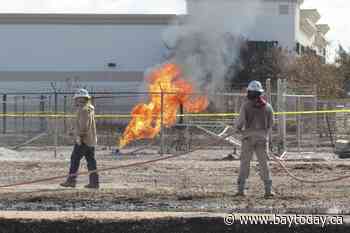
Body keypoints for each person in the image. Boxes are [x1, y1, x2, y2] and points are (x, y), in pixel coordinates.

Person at [235, 80, 274, 198]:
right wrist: (264, 133)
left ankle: (241, 190)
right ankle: (268, 191)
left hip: (248, 139)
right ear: (260, 93)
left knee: (244, 164)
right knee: (263, 164)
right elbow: (271, 123)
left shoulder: (245, 106)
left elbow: (240, 122)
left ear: (250, 92)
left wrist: (238, 128)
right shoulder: (268, 107)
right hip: (262, 139)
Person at [60, 88, 99, 189]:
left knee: (75, 159)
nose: (76, 101)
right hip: (91, 140)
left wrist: (79, 137)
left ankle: (71, 181)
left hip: (83, 140)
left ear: (81, 99)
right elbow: (83, 124)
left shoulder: (84, 110)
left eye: (77, 99)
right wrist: (73, 131)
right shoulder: (89, 108)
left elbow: (83, 126)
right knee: (91, 161)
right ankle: (94, 182)